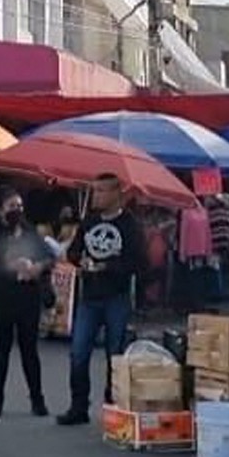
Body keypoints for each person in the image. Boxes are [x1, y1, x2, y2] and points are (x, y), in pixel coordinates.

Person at [56, 173, 147, 426]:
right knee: (78, 352)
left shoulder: (130, 225)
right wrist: (81, 261)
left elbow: (139, 262)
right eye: (94, 191)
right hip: (90, 296)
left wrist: (108, 267)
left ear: (117, 194)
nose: (96, 196)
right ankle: (78, 405)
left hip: (116, 295)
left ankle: (113, 404)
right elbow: (74, 250)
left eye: (101, 191)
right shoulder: (89, 221)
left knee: (114, 354)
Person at [0, 187, 53, 419]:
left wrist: (37, 267)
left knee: (30, 351)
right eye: (11, 207)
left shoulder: (29, 232)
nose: (17, 211)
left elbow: (48, 257)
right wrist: (8, 268)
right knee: (1, 349)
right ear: (0, 210)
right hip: (2, 297)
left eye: (19, 207)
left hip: (28, 296)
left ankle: (37, 399)